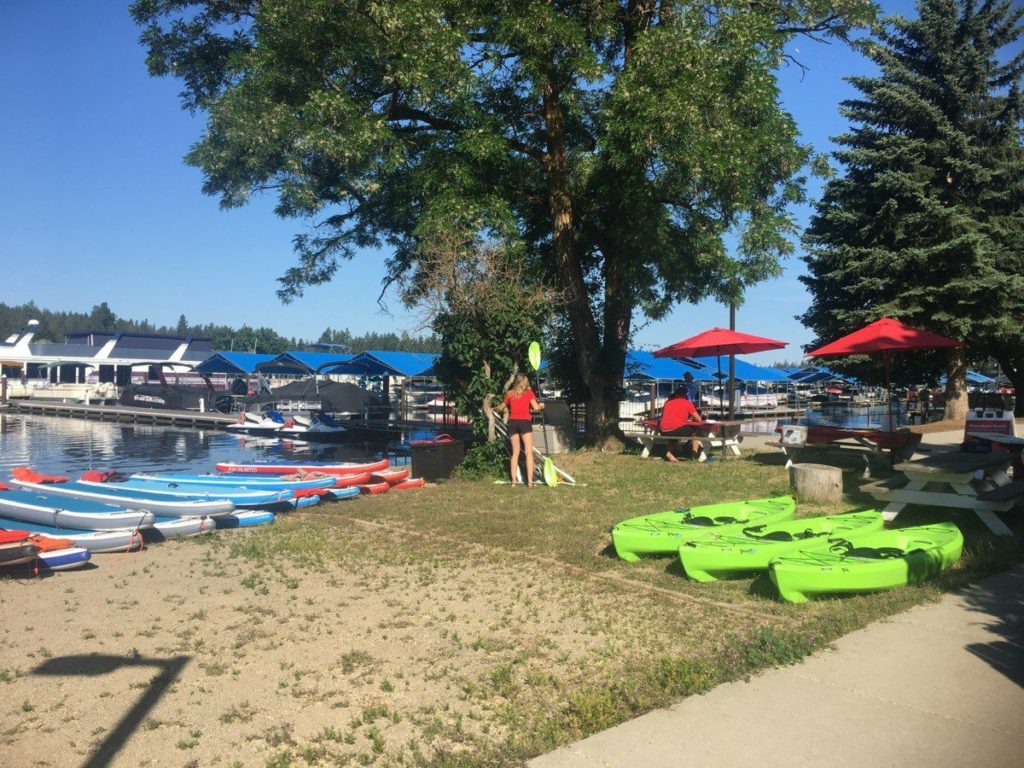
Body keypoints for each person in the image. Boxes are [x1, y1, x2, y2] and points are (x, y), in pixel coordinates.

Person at [494, 373, 545, 485]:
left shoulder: (510, 393)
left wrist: (492, 408)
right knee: (529, 453)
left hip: (513, 423)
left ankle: (513, 482)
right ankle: (530, 483)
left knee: (515, 453)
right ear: (524, 382)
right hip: (524, 423)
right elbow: (536, 408)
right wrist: (542, 406)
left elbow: (501, 407)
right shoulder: (529, 393)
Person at [659, 386, 704, 462]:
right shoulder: (687, 403)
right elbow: (698, 419)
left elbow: (664, 416)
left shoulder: (667, 403)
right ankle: (694, 455)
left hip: (663, 430)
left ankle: (669, 454)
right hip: (675, 429)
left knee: (673, 434)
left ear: (676, 394)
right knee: (696, 432)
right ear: (685, 395)